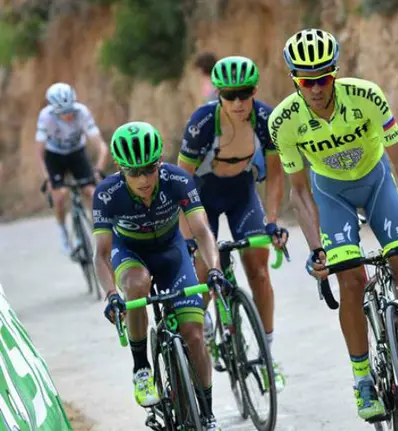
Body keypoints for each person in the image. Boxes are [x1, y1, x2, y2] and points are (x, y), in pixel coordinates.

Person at [269, 28, 398, 421]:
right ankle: (362, 377)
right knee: (350, 279)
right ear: (295, 80)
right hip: (332, 196)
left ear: (335, 73)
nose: (315, 89)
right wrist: (317, 249)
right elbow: (299, 192)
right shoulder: (285, 121)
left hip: (377, 181)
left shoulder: (366, 96)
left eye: (323, 79)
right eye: (305, 81)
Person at [95, 122, 228, 431]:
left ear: (159, 162)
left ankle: (206, 413)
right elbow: (101, 255)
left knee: (194, 334)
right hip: (130, 253)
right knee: (137, 285)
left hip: (172, 251)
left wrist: (215, 270)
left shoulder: (178, 179)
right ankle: (141, 367)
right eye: (133, 172)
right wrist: (110, 294)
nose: (143, 179)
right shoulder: (107, 194)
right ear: (120, 169)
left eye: (149, 169)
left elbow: (202, 231)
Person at [177, 55, 288, 390]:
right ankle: (205, 319)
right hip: (202, 197)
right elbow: (183, 183)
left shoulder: (266, 117)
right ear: (218, 94)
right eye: (229, 95)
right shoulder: (203, 122)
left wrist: (272, 221)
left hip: (242, 192)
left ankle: (267, 356)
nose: (238, 102)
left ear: (254, 90)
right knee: (201, 269)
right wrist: (189, 237)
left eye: (244, 93)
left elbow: (276, 173)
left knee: (258, 266)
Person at [37, 82, 110, 253]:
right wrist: (46, 177)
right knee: (60, 196)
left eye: (70, 110)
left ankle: (100, 232)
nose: (68, 115)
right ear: (54, 111)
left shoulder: (82, 112)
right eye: (63, 113)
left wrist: (98, 169)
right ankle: (62, 230)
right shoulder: (46, 117)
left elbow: (102, 146)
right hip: (54, 156)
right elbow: (39, 153)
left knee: (92, 193)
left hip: (77, 153)